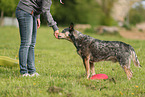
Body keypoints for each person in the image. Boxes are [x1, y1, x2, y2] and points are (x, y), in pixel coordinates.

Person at [15, 0, 62, 77]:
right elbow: (45, 11)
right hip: (25, 11)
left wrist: (37, 16)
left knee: (32, 44)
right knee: (26, 43)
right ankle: (23, 72)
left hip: (32, 13)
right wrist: (54, 27)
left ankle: (32, 71)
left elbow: (37, 2)